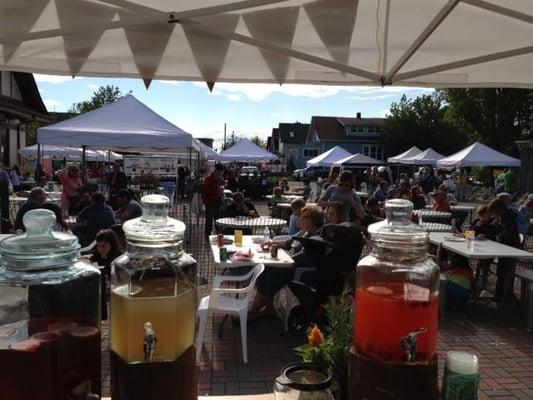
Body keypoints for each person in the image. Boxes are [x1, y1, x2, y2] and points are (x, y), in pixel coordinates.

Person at [250, 204, 324, 317]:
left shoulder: (316, 237)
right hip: (291, 265)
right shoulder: (304, 232)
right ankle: (269, 308)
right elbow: (288, 243)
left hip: (302, 272)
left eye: (304, 217)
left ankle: (253, 313)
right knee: (266, 270)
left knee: (270, 275)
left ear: (313, 220)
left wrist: (283, 260)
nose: (300, 219)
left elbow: (303, 258)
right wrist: (272, 243)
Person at [487, 198, 521, 302]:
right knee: (501, 272)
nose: (494, 215)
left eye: (494, 212)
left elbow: (507, 233)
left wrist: (497, 236)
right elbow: (497, 230)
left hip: (511, 248)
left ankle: (505, 297)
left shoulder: (509, 216)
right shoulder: (503, 216)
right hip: (505, 248)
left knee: (507, 273)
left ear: (498, 209)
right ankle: (499, 295)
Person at [83, 229, 122, 320]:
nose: (101, 249)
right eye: (98, 246)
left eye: (104, 246)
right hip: (99, 295)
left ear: (112, 245)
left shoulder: (118, 261)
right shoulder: (96, 258)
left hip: (113, 297)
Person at [202, 163, 225, 238]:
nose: (222, 174)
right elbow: (206, 191)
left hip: (217, 202)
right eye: (221, 172)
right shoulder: (209, 179)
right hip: (210, 202)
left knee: (217, 219)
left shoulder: (219, 178)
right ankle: (207, 235)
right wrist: (218, 191)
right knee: (209, 220)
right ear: (218, 171)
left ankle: (218, 234)